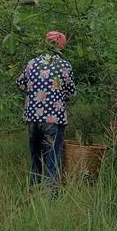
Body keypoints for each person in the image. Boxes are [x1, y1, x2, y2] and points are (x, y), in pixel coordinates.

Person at [17, 31, 76, 190]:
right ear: (61, 47)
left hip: (32, 117)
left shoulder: (32, 63)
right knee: (52, 158)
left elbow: (21, 84)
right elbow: (71, 93)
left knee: (35, 158)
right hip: (53, 119)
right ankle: (52, 198)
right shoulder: (64, 66)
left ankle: (33, 192)